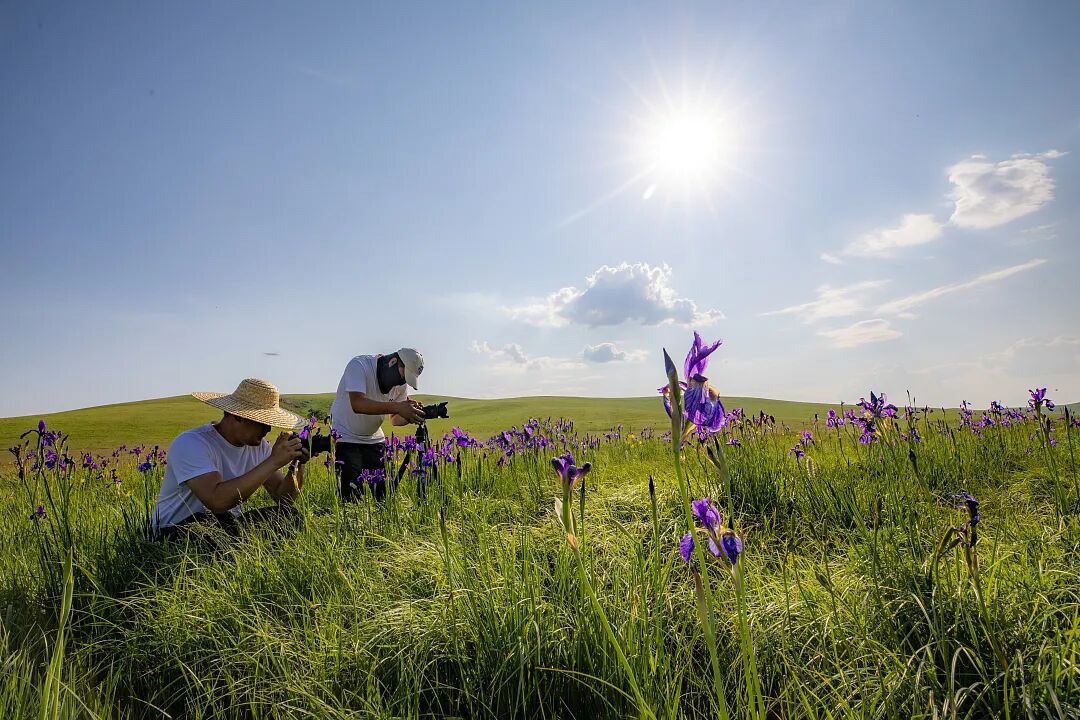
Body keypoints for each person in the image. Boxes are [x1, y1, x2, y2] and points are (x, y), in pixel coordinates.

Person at [150, 378, 309, 540]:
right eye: (262, 422)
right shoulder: (192, 442)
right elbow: (216, 501)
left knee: (288, 516)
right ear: (238, 416)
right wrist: (273, 461)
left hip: (224, 525)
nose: (268, 428)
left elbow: (283, 498)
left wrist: (297, 462)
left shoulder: (259, 447)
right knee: (218, 528)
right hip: (174, 530)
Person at [330, 348, 425, 501]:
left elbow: (395, 419)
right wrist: (398, 407)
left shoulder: (400, 385)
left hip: (374, 439)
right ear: (393, 362)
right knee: (352, 497)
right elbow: (357, 404)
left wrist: (411, 414)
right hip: (346, 436)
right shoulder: (359, 365)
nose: (402, 381)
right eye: (403, 375)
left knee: (386, 494)